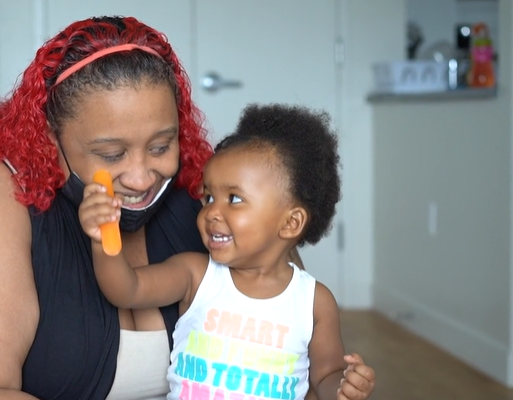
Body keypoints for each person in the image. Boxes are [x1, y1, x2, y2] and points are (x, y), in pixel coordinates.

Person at [0, 15, 374, 400]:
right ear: (50, 138)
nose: (141, 178)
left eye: (161, 146)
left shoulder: (212, 198)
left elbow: (301, 372)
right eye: (111, 154)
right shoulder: (11, 199)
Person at [80, 103, 374, 400]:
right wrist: (101, 236)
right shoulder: (195, 275)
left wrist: (345, 386)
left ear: (290, 223)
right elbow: (126, 289)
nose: (211, 212)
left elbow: (325, 375)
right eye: (208, 197)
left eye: (233, 199)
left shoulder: (313, 302)